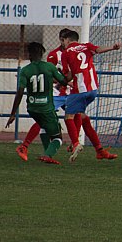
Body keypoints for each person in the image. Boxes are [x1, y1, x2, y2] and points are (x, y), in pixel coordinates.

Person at [15, 28, 80, 161]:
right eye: (64, 39)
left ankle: (75, 143)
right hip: (56, 93)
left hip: (70, 92)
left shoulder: (75, 53)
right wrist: (67, 82)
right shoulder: (54, 55)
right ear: (61, 40)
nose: (66, 42)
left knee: (79, 115)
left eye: (68, 39)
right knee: (43, 120)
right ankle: (33, 147)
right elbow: (46, 74)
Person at [61, 30, 121, 162]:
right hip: (93, 90)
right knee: (82, 117)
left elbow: (68, 76)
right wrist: (112, 47)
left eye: (63, 40)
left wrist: (61, 80)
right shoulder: (86, 46)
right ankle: (99, 151)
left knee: (68, 116)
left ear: (67, 40)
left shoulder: (66, 53)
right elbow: (99, 50)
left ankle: (75, 143)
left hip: (79, 90)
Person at [6, 42, 68, 165]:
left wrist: (13, 114)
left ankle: (30, 148)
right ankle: (47, 155)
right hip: (46, 108)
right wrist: (71, 73)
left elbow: (19, 92)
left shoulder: (25, 71)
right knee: (58, 137)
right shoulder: (49, 67)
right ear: (42, 54)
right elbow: (64, 81)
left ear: (29, 55)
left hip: (32, 108)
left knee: (44, 127)